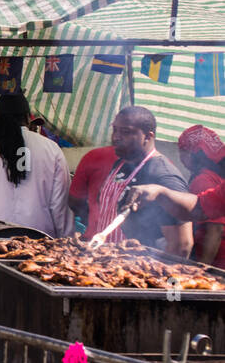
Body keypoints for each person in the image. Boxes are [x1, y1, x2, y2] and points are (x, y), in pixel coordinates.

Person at [68, 106, 192, 254]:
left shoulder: (164, 176)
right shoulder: (121, 163)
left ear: (148, 136)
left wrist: (161, 276)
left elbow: (182, 244)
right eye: (115, 130)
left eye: (125, 132)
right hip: (99, 259)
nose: (116, 137)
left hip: (132, 265)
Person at [0, 93, 71, 238]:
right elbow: (59, 206)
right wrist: (67, 241)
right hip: (40, 242)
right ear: (28, 117)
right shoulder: (51, 149)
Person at [177, 125, 225, 265]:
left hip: (218, 262)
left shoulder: (203, 180)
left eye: (182, 151)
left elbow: (214, 230)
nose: (181, 157)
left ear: (192, 154)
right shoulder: (216, 175)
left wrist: (201, 270)